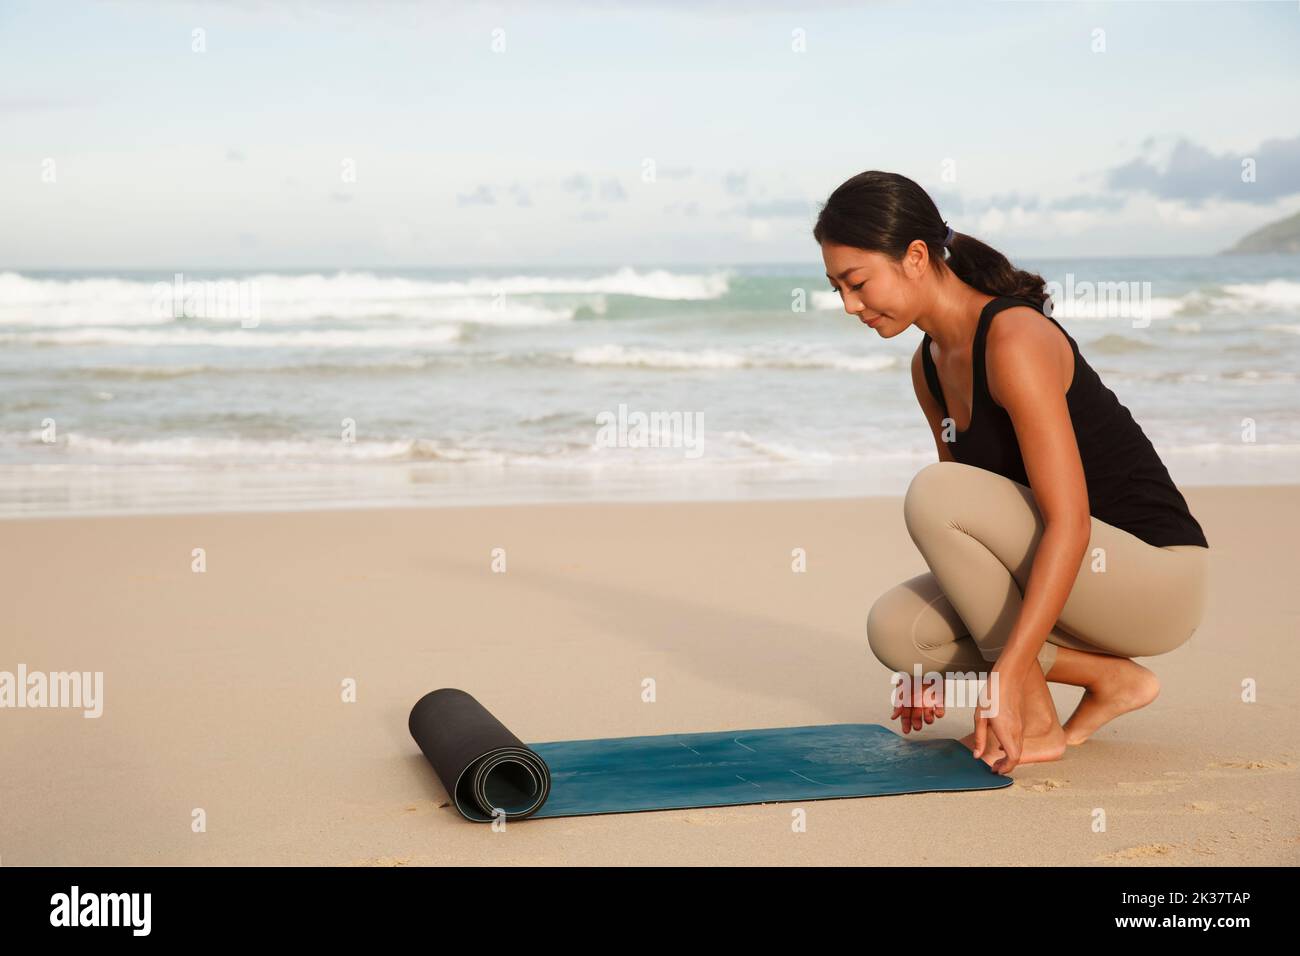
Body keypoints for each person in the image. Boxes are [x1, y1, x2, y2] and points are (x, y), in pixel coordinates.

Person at [814, 171, 1210, 775]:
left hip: (1153, 576)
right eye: (837, 287)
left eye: (858, 282)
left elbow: (1070, 523)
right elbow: (966, 544)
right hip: (1080, 585)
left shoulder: (1015, 337)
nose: (850, 305)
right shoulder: (929, 367)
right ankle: (1113, 682)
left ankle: (1038, 719)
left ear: (916, 256)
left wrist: (1000, 680)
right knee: (900, 635)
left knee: (934, 490)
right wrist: (935, 678)